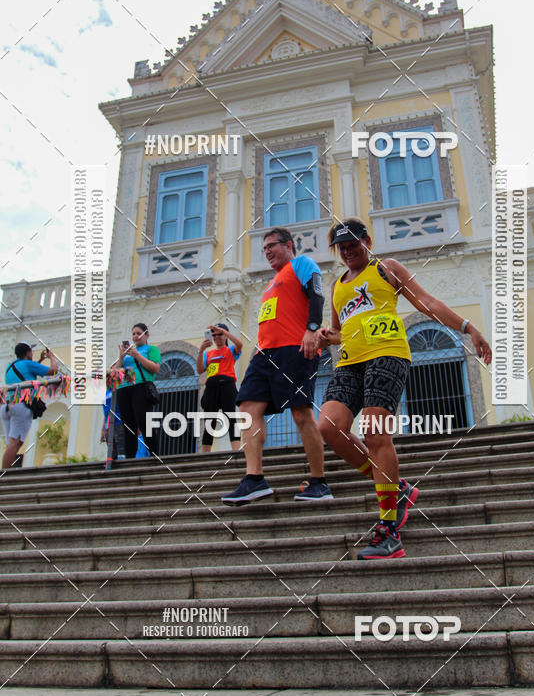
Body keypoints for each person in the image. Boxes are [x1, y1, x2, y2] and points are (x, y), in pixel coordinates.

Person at [317, 218, 492, 560]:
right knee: (329, 426)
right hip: (350, 362)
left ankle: (389, 531)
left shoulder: (387, 268)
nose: (348, 251)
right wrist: (325, 337)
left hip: (388, 354)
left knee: (374, 432)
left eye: (353, 244)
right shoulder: (337, 285)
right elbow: (339, 331)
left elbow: (426, 302)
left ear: (367, 241)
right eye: (342, 248)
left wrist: (468, 328)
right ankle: (396, 489)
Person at [221, 227, 333, 504]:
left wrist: (312, 329)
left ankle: (319, 482)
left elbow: (317, 295)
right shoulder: (272, 283)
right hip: (264, 354)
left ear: (288, 245)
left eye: (271, 245)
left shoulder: (302, 264)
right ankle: (254, 479)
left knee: (300, 412)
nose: (267, 251)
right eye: (264, 248)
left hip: (294, 348)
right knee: (247, 408)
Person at [2, 342, 58, 469]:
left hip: (7, 406)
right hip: (20, 406)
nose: (32, 353)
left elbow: (28, 374)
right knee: (15, 442)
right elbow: (53, 370)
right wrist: (52, 357)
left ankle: (6, 472)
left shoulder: (10, 366)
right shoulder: (28, 364)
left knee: (11, 443)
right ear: (27, 353)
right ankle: (5, 474)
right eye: (31, 351)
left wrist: (41, 360)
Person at [110, 323, 161, 458]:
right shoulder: (127, 354)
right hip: (124, 389)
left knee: (144, 422)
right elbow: (114, 374)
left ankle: (154, 454)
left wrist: (137, 355)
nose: (135, 336)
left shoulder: (151, 349)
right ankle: (130, 458)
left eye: (139, 333)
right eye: (133, 334)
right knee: (128, 425)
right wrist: (121, 356)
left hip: (141, 387)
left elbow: (155, 368)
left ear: (147, 334)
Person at [197, 324, 243, 452]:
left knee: (231, 417)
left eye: (220, 334)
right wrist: (201, 351)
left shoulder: (230, 350)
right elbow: (200, 370)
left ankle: (236, 451)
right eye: (214, 335)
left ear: (225, 335)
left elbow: (239, 344)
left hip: (227, 384)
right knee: (209, 421)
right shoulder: (208, 353)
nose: (217, 337)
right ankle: (205, 454)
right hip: (211, 386)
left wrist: (224, 331)